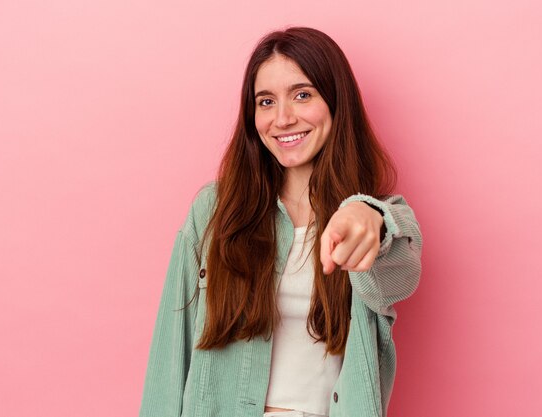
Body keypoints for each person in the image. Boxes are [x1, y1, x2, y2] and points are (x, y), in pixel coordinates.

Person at [139, 27, 422, 417]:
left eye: (302, 95)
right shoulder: (214, 212)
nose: (283, 118)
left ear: (336, 102)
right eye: (266, 101)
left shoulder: (372, 221)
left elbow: (402, 272)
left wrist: (368, 214)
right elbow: (168, 360)